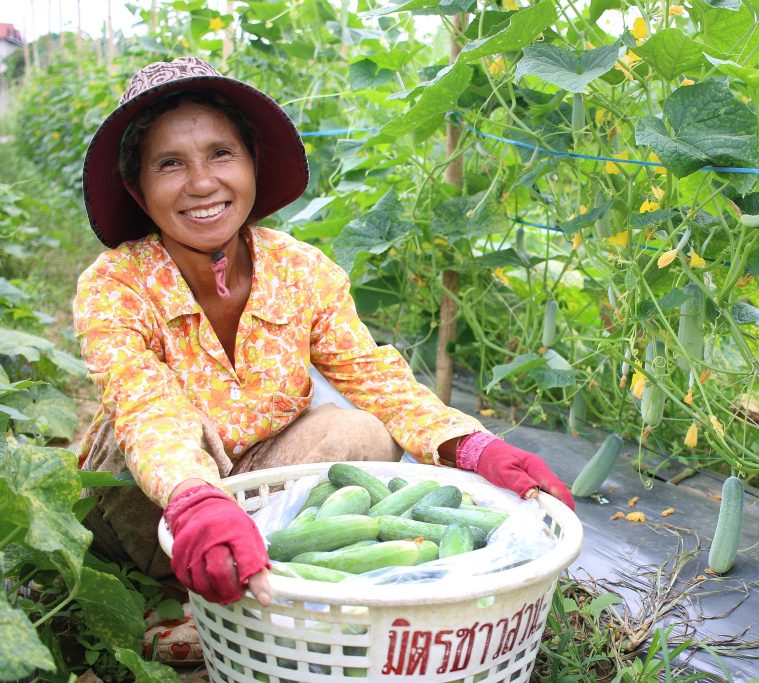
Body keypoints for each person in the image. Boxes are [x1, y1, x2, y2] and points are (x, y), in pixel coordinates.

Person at [74, 56, 574, 658]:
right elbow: (143, 404)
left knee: (359, 431)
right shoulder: (117, 282)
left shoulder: (301, 270)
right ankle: (165, 594)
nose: (202, 183)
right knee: (154, 446)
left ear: (252, 164)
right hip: (149, 502)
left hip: (260, 487)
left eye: (221, 154)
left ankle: (270, 585)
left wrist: (472, 446)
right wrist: (194, 497)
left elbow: (373, 377)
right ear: (138, 188)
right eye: (170, 163)